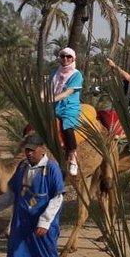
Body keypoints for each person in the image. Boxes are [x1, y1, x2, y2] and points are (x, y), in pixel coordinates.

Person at [0, 134, 66, 257]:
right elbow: (12, 193)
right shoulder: (22, 167)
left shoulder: (52, 169)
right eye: (27, 150)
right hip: (21, 225)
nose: (29, 153)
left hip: (42, 228)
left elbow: (57, 198)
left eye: (32, 150)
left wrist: (44, 222)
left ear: (42, 149)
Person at [48, 47, 82, 176]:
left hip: (69, 106)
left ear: (73, 59)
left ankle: (73, 158)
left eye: (69, 57)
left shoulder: (76, 74)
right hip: (53, 105)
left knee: (67, 127)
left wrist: (51, 99)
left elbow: (68, 92)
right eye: (63, 56)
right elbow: (47, 88)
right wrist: (40, 97)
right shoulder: (54, 72)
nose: (65, 59)